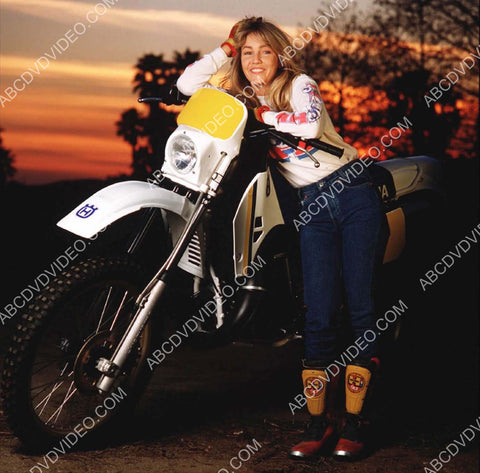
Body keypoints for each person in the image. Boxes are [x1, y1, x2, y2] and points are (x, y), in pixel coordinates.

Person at [176, 17, 389, 461]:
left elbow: (309, 125)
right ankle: (320, 423)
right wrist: (225, 50)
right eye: (247, 52)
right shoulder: (238, 91)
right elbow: (185, 83)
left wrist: (265, 115)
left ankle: (357, 421)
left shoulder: (300, 84)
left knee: (362, 305)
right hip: (311, 204)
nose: (256, 60)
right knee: (318, 310)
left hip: (351, 194)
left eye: (265, 51)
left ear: (280, 56)